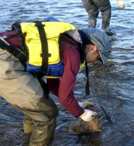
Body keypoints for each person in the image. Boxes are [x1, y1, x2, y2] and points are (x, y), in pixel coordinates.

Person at [0, 18, 110, 146]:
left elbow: (53, 85)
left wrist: (76, 104)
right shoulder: (73, 54)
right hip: (5, 60)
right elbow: (64, 98)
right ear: (92, 48)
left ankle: (27, 140)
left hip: (7, 51)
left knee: (37, 103)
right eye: (97, 57)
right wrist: (82, 113)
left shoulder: (65, 42)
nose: (93, 62)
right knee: (46, 114)